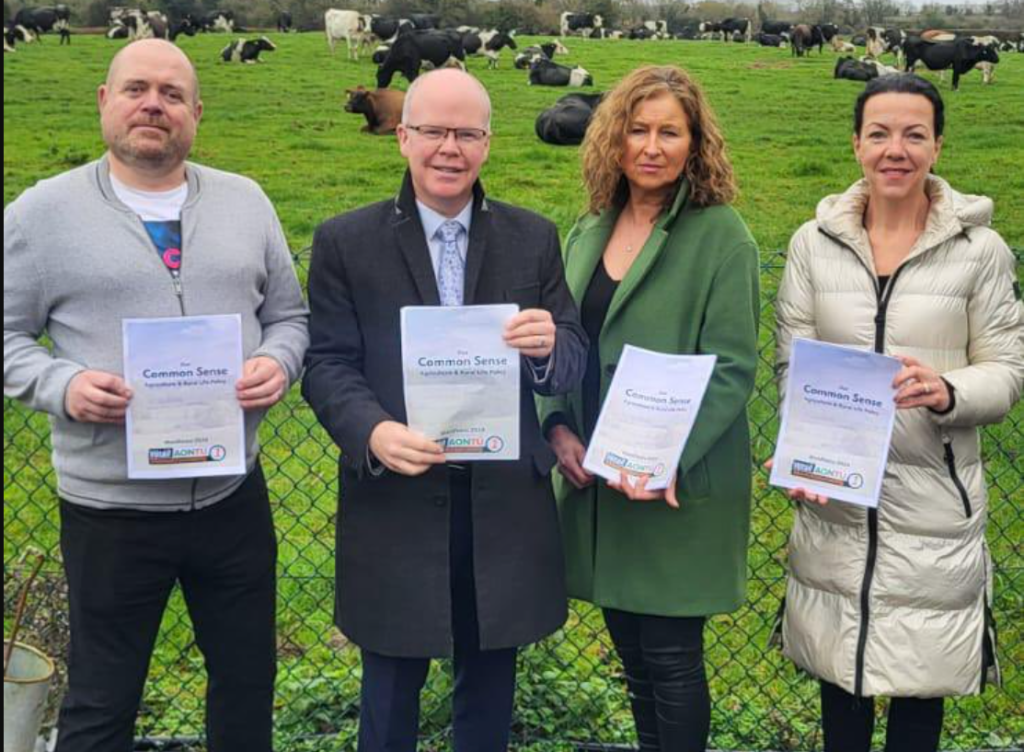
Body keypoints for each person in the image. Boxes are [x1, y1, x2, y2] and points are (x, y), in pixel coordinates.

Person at [3, 39, 310, 752]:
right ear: (104, 102)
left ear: (196, 113)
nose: (154, 104)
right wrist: (64, 383)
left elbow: (290, 317)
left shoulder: (246, 200)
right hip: (111, 508)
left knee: (245, 686)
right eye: (137, 88)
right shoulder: (41, 214)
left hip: (233, 496)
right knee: (103, 698)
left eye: (172, 94)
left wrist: (277, 362)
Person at [301, 68, 587, 752]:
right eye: (432, 131)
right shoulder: (346, 241)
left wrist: (549, 346)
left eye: (466, 133)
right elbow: (327, 362)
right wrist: (372, 430)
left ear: (488, 143)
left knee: (489, 689)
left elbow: (576, 354)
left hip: (501, 505)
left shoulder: (533, 237)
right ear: (402, 137)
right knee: (390, 694)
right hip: (395, 499)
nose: (448, 148)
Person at [774, 73, 1023, 752]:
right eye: (880, 133)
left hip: (932, 503)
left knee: (920, 692)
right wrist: (799, 452)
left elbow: (1006, 372)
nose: (896, 149)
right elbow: (793, 366)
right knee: (840, 686)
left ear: (937, 146)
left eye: (915, 134)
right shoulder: (810, 245)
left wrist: (948, 392)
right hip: (836, 500)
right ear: (856, 144)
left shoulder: (981, 253)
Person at [537, 65, 760, 752]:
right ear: (614, 138)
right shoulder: (589, 227)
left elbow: (732, 367)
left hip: (669, 485)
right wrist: (556, 426)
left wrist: (669, 457)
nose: (652, 147)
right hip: (598, 483)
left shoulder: (723, 236)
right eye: (638, 130)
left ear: (696, 144)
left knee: (670, 659)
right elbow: (567, 341)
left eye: (671, 132)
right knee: (633, 662)